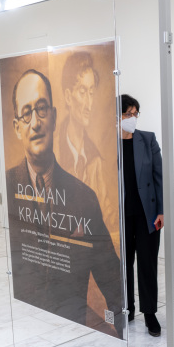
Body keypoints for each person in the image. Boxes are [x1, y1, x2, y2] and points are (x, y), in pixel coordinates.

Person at [5, 69, 123, 337]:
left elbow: (110, 275)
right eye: (26, 113)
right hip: (24, 326)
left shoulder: (85, 198)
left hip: (71, 331)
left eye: (42, 109)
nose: (35, 122)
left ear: (55, 117)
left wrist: (125, 329)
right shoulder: (9, 186)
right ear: (17, 127)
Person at [56, 51, 118, 239]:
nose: (89, 104)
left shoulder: (94, 161)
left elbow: (108, 217)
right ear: (68, 97)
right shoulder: (53, 152)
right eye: (83, 92)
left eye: (92, 93)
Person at [119, 94, 164, 337]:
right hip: (120, 216)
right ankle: (127, 309)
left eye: (135, 113)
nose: (132, 118)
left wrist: (162, 211)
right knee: (123, 265)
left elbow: (159, 176)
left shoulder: (147, 139)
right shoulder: (105, 143)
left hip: (147, 214)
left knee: (147, 264)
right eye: (128, 113)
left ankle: (150, 313)